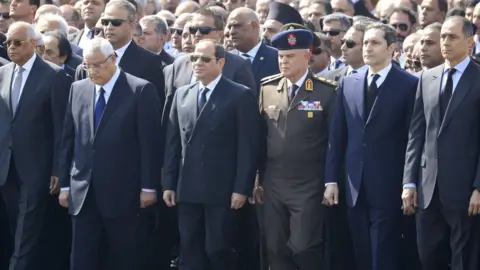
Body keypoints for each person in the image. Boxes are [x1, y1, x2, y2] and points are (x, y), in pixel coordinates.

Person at [58, 37, 162, 270]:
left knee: (123, 256)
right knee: (82, 257)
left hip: (123, 193)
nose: (92, 71)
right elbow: (68, 140)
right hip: (83, 191)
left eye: (97, 64)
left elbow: (149, 145)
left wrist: (148, 187)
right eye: (87, 65)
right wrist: (65, 185)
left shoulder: (140, 90)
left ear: (113, 59)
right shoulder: (78, 89)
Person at [324, 22, 418, 270]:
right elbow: (338, 136)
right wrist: (331, 180)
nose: (367, 48)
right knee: (362, 253)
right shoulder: (348, 83)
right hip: (354, 185)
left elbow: (412, 139)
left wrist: (410, 182)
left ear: (392, 48)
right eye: (365, 42)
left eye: (375, 43)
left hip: (389, 184)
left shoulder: (408, 84)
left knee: (383, 253)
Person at [162, 39, 260, 270]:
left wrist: (241, 188)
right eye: (194, 58)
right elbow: (173, 143)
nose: (197, 63)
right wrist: (168, 182)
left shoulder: (239, 95)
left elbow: (248, 147)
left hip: (222, 190)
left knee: (218, 249)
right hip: (187, 187)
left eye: (205, 59)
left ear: (221, 62)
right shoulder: (182, 94)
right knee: (190, 249)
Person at [403, 16, 480, 270]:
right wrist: (409, 181)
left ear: (470, 42)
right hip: (427, 188)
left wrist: (479, 187)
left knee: (462, 260)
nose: (445, 42)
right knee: (427, 257)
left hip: (464, 189)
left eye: (452, 37)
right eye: (443, 36)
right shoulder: (427, 78)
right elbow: (416, 133)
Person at [255, 29, 337, 270]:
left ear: (307, 55)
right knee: (276, 247)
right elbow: (260, 138)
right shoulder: (268, 88)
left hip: (308, 183)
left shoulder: (326, 91)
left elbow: (334, 141)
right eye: (281, 56)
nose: (284, 61)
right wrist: (257, 178)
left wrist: (330, 181)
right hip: (274, 181)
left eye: (290, 56)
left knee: (303, 246)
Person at [0, 21, 72, 270]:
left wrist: (57, 169)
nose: (11, 47)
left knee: (26, 228)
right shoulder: (4, 73)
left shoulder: (53, 74)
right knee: (15, 224)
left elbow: (61, 127)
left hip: (37, 167)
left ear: (33, 44)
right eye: (7, 43)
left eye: (16, 42)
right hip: (6, 166)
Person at [227, 7, 279, 97]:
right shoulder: (225, 60)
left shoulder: (276, 57)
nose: (231, 32)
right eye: (229, 27)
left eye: (237, 26)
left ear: (254, 26)